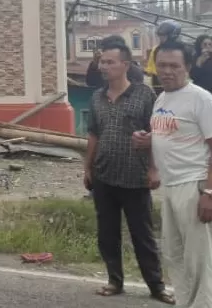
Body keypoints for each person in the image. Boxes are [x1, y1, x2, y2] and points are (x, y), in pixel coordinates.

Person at [83, 39, 171, 302]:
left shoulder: (145, 95)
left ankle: (157, 287)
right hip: (104, 176)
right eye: (102, 61)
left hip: (136, 177)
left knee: (143, 235)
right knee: (107, 233)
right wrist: (87, 167)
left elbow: (157, 135)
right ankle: (114, 281)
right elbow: (93, 134)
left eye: (110, 62)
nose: (104, 66)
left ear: (125, 64)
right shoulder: (97, 97)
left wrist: (154, 170)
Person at [134, 40, 212, 308]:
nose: (167, 71)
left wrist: (209, 193)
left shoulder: (202, 99)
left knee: (199, 259)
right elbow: (167, 135)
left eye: (174, 66)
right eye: (162, 65)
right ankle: (185, 302)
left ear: (188, 67)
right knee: (175, 255)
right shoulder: (162, 98)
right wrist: (148, 141)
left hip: (194, 186)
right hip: (171, 186)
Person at [146, 20, 182, 87]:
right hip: (158, 81)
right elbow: (150, 71)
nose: (160, 39)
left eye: (163, 36)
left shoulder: (181, 51)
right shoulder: (156, 49)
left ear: (172, 36)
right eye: (160, 36)